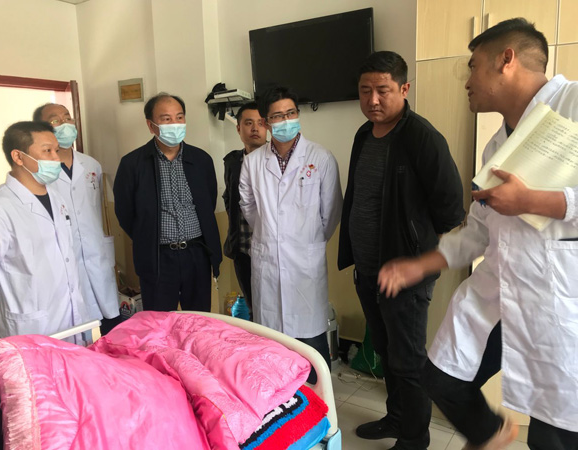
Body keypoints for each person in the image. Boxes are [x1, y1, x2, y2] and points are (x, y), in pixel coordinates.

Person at [377, 18, 578, 450]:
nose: (467, 81)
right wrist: (419, 266)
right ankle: (490, 434)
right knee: (440, 378)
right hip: (498, 292)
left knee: (553, 434)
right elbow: (479, 230)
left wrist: (533, 201)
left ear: (506, 60)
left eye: (472, 67)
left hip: (558, 300)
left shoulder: (574, 104)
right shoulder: (495, 147)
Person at [337, 51, 465, 450]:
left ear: (404, 88)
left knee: (408, 361)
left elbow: (451, 209)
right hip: (368, 271)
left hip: (406, 275)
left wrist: (415, 249)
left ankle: (414, 439)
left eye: (383, 90)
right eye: (365, 91)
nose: (373, 100)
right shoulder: (363, 134)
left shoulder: (422, 137)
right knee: (386, 350)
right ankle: (396, 419)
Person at [239, 86, 342, 381]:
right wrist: (272, 235)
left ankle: (319, 405)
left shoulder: (321, 158)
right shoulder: (252, 162)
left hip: (305, 267)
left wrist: (305, 241)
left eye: (291, 113)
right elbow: (248, 207)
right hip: (268, 264)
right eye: (277, 116)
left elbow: (331, 212)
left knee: (312, 350)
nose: (286, 120)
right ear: (266, 122)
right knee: (272, 352)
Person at [0, 121, 87, 341]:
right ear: (18, 157)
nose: (56, 158)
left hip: (73, 314)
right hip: (30, 324)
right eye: (47, 151)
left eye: (56, 150)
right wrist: (18, 290)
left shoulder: (56, 197)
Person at [114, 93, 221, 312]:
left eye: (179, 117)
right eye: (166, 119)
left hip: (197, 254)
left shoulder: (201, 160)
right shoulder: (132, 164)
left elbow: (208, 203)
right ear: (151, 125)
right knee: (159, 322)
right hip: (157, 258)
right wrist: (148, 236)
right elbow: (125, 212)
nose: (175, 124)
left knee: (198, 319)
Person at [33, 103, 120, 335]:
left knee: (108, 324)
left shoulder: (91, 165)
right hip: (61, 259)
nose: (65, 124)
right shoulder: (40, 170)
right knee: (75, 326)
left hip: (96, 254)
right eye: (55, 120)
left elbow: (94, 209)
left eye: (67, 117)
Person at [222, 102, 267, 315]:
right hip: (243, 250)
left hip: (272, 252)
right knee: (253, 308)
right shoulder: (233, 162)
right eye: (249, 123)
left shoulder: (279, 160)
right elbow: (229, 198)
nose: (255, 128)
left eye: (261, 123)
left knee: (275, 310)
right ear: (239, 128)